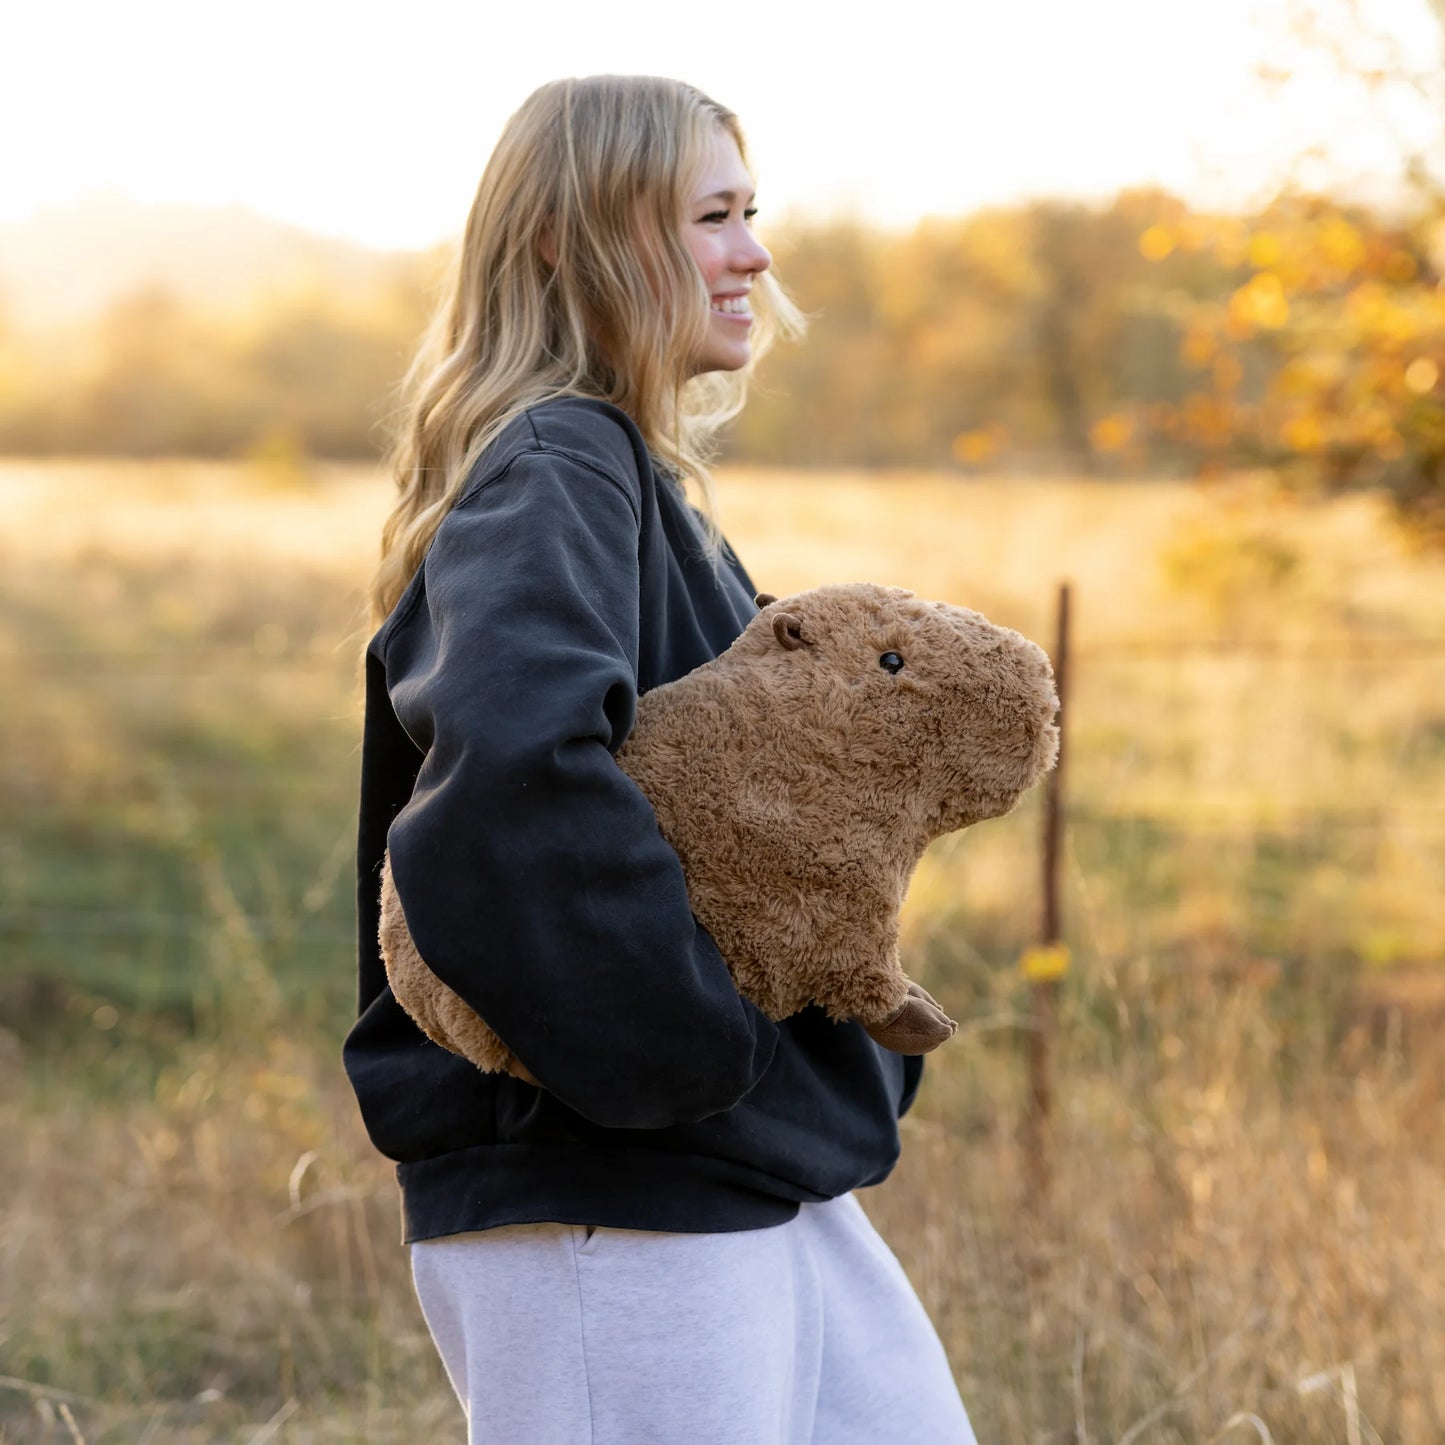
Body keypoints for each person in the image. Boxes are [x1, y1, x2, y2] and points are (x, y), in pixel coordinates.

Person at [343, 75, 978, 1444]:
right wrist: (692, 1051)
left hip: (737, 1174)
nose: (752, 251)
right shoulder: (557, 465)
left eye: (751, 213)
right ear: (569, 243)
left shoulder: (633, 479)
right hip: (609, 1195)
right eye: (708, 216)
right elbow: (509, 791)